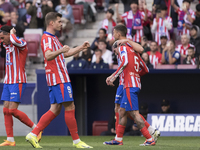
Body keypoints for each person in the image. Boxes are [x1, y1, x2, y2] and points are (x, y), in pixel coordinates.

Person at [25, 12, 92, 149]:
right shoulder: (48, 38)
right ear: (51, 23)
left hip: (56, 77)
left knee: (55, 109)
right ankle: (77, 141)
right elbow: (49, 55)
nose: (61, 24)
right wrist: (61, 50)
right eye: (59, 21)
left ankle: (33, 134)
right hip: (59, 77)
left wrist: (81, 47)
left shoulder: (52, 37)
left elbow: (65, 53)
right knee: (70, 106)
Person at [104, 25, 159, 146]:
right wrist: (135, 75)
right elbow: (145, 69)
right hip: (133, 83)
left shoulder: (123, 47)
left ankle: (149, 138)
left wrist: (113, 76)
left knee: (134, 113)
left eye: (114, 32)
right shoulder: (133, 50)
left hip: (128, 84)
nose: (115, 53)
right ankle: (118, 139)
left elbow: (124, 62)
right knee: (122, 111)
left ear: (118, 34)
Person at [0, 25, 42, 147]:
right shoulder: (7, 45)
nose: (2, 41)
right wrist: (7, 35)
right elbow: (9, 41)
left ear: (10, 34)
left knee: (12, 110)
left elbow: (15, 41)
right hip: (8, 81)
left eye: (3, 37)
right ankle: (10, 139)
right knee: (6, 110)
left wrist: (12, 33)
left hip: (17, 80)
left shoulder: (21, 43)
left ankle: (37, 129)